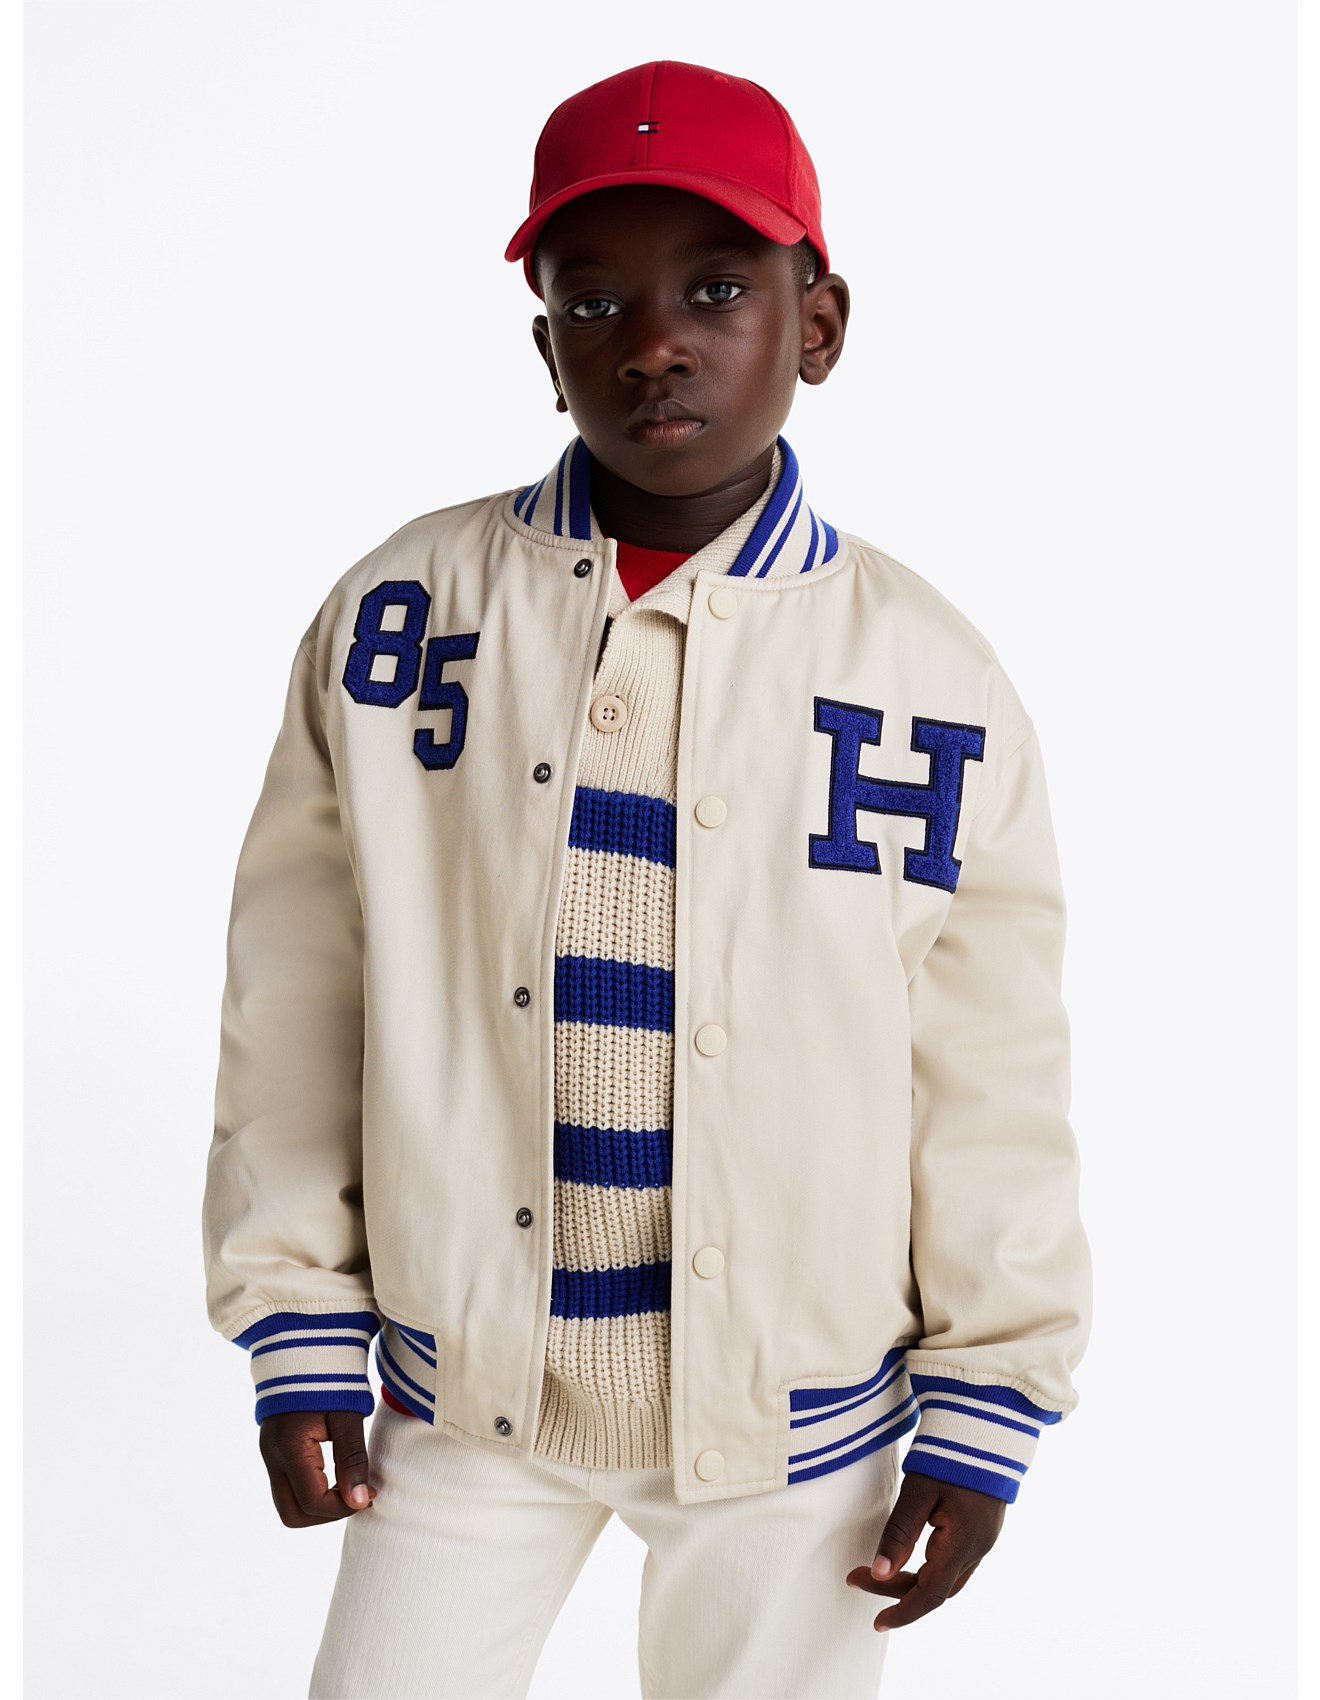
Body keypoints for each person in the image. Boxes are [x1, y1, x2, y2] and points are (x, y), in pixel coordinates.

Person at [201, 58, 1093, 1700]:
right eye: (594, 298)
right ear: (545, 349)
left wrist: (991, 1396)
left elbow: (991, 1068)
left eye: (718, 289)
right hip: (464, 1390)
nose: (654, 340)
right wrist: (296, 1318)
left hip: (796, 1422)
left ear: (818, 325)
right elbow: (298, 995)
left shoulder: (928, 679)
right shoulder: (406, 620)